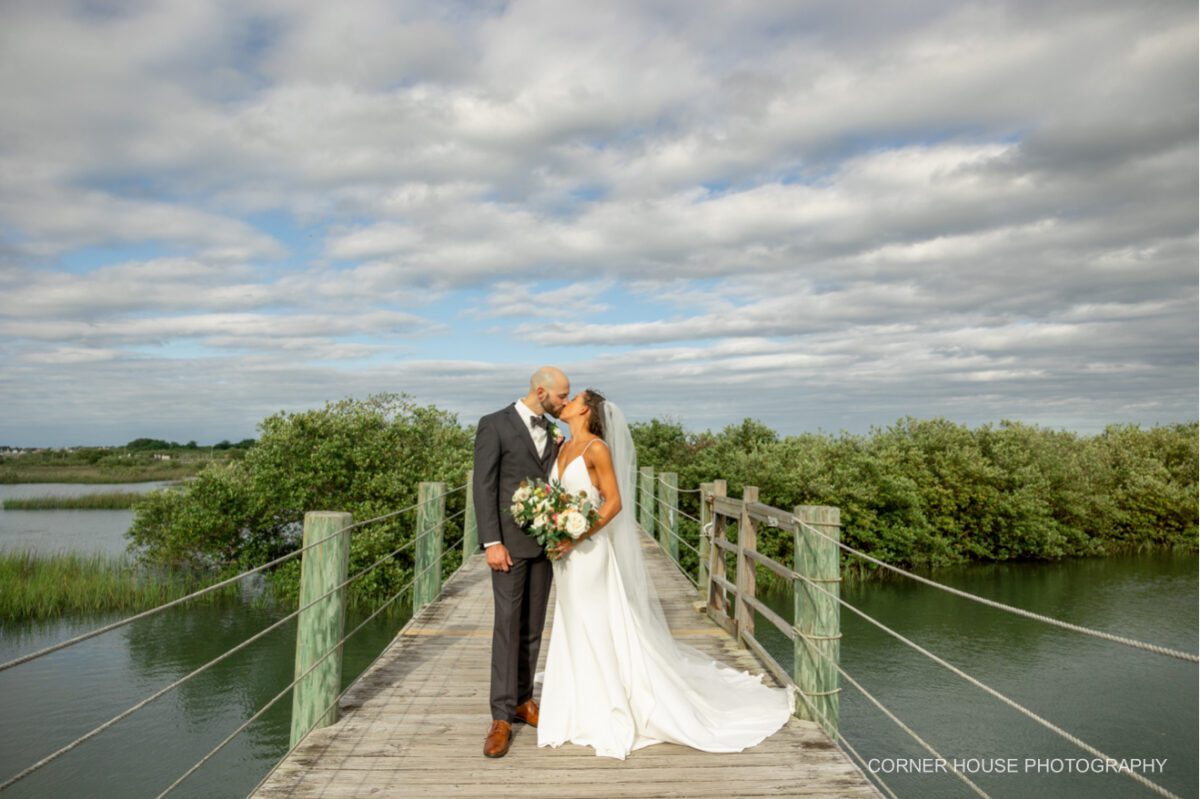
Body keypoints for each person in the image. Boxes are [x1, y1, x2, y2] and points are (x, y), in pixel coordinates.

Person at [536, 388, 796, 759]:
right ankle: (576, 699)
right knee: (573, 620)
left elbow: (614, 503)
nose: (566, 401)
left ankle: (608, 704)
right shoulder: (562, 447)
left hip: (589, 551)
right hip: (563, 553)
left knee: (594, 620)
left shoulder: (597, 449)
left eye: (573, 398)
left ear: (587, 411)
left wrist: (577, 535)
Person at [472, 366, 569, 758]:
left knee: (532, 628)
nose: (565, 402)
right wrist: (491, 542)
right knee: (507, 628)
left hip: (543, 545)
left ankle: (524, 700)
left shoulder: (556, 433)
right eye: (562, 395)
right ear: (541, 391)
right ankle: (499, 717)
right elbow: (484, 485)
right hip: (508, 546)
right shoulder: (494, 424)